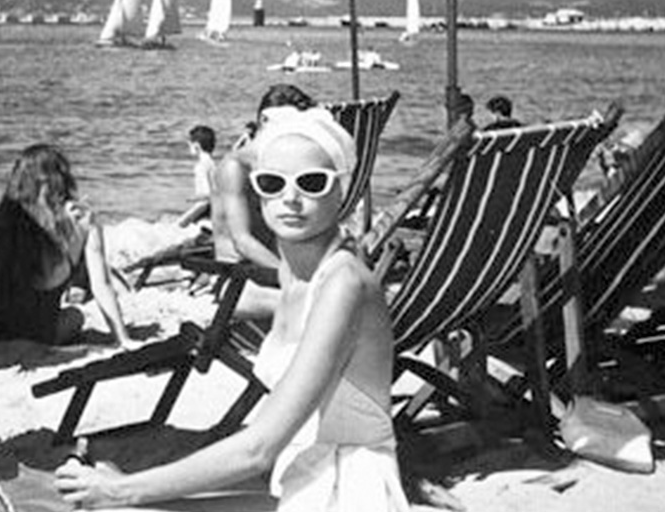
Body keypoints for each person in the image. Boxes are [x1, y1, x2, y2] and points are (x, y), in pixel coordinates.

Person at [55, 108, 410, 512]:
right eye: (272, 183)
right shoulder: (298, 275)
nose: (289, 198)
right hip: (304, 476)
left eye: (311, 183)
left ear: (342, 191)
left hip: (347, 492)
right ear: (256, 191)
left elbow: (258, 448)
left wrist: (124, 490)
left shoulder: (343, 283)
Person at [0, 144, 133, 347]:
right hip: (37, 331)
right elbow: (101, 284)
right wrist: (123, 339)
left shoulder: (11, 215)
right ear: (63, 177)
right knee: (75, 316)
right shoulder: (84, 219)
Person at [211, 84, 316, 272]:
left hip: (268, 267)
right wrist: (292, 276)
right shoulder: (235, 167)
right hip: (238, 275)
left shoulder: (278, 165)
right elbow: (242, 242)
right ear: (264, 120)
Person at [178, 125, 217, 229]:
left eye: (189, 144)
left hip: (205, 215)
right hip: (215, 213)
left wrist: (184, 221)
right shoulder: (212, 164)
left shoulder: (201, 166)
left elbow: (205, 199)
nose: (189, 147)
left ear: (196, 146)